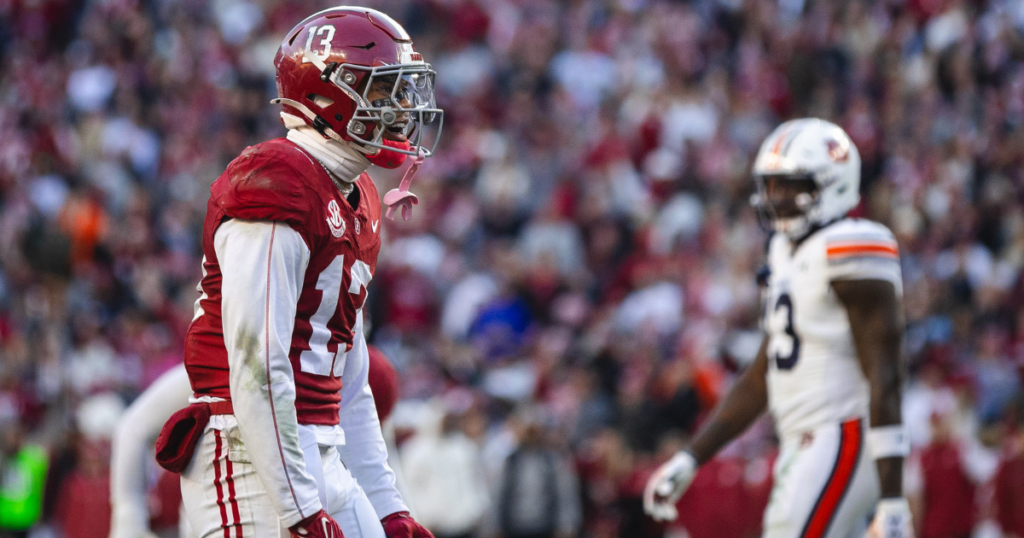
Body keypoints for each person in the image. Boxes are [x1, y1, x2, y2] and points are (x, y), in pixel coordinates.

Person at [160, 7, 442, 538]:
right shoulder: (277, 178)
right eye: (383, 92)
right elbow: (255, 362)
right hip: (247, 453)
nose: (403, 110)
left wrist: (388, 506)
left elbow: (348, 375)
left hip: (320, 447)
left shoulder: (358, 195)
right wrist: (299, 511)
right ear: (325, 94)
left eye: (403, 91)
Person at [643, 119, 914, 538]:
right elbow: (764, 374)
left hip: (841, 434)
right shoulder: (785, 252)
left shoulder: (853, 246)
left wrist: (893, 498)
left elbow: (885, 374)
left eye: (791, 186)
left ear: (834, 184)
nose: (777, 198)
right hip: (801, 441)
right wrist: (693, 456)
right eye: (771, 186)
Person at [110, 347, 405, 538]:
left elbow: (380, 467)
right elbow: (134, 427)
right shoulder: (251, 363)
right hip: (232, 504)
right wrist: (128, 518)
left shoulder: (366, 384)